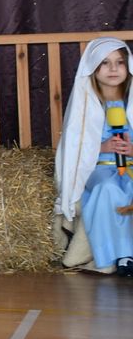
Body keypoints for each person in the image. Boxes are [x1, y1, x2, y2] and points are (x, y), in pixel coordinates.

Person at [54, 37, 133, 276]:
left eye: (119, 62)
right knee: (108, 189)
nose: (113, 68)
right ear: (93, 69)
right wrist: (102, 147)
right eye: (105, 63)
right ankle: (121, 255)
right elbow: (74, 146)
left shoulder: (131, 101)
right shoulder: (86, 103)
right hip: (100, 168)